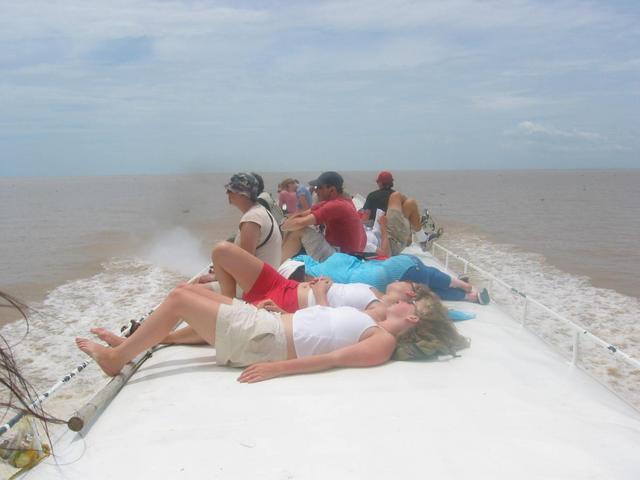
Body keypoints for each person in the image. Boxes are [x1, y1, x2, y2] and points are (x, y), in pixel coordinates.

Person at [77, 280, 470, 381]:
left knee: (181, 298)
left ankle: (115, 358)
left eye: (411, 302)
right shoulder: (374, 322)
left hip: (264, 342)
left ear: (414, 317)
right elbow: (320, 327)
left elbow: (331, 359)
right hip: (267, 325)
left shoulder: (382, 342)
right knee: (193, 291)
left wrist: (276, 369)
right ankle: (133, 342)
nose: (404, 299)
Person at [212, 242, 418, 313]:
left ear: (409, 294)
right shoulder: (375, 293)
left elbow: (332, 327)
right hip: (285, 285)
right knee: (222, 251)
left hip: (285, 303)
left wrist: (319, 294)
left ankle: (226, 308)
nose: (402, 279)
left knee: (187, 297)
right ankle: (228, 302)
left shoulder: (379, 311)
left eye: (408, 282)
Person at [293, 251, 491, 304]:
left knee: (429, 291)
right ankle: (464, 287)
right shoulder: (331, 266)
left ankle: (468, 295)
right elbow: (353, 261)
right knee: (429, 275)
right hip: (400, 266)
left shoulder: (326, 279)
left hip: (396, 273)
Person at [281, 171, 366, 262]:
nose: (316, 191)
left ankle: (277, 269)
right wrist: (288, 224)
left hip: (342, 258)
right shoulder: (342, 201)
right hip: (348, 254)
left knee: (299, 231)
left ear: (332, 190)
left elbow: (298, 222)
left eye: (319, 188)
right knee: (296, 228)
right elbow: (303, 214)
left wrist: (283, 225)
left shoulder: (337, 205)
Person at [225, 172, 282, 268]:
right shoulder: (260, 210)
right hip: (267, 275)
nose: (227, 193)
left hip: (260, 281)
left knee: (198, 282)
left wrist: (216, 276)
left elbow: (245, 265)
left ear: (243, 195)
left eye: (230, 190)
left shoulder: (252, 219)